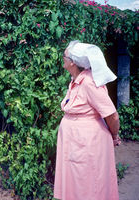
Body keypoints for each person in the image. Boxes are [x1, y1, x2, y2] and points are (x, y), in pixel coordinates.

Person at [53, 40, 121, 200]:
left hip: (88, 145)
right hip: (76, 144)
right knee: (77, 182)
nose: (62, 58)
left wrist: (114, 136)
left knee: (88, 184)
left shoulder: (89, 83)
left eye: (65, 55)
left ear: (73, 63)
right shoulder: (76, 81)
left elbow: (112, 115)